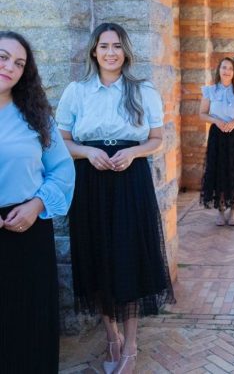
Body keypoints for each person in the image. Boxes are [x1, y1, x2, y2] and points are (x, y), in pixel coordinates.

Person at [56, 23, 175, 374]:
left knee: (129, 257)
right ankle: (111, 337)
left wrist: (136, 153)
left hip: (130, 180)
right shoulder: (76, 92)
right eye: (104, 46)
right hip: (90, 180)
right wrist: (86, 152)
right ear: (94, 51)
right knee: (97, 256)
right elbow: (61, 140)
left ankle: (131, 347)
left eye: (117, 46)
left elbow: (157, 139)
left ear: (126, 52)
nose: (111, 52)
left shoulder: (143, 90)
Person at [0, 31, 75, 374]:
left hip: (26, 229)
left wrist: (37, 207)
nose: (9, 67)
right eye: (2, 57)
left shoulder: (37, 118)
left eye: (19, 63)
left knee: (27, 322)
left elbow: (62, 172)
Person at [199, 57, 234, 226]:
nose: (227, 71)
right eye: (224, 67)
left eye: (230, 68)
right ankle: (221, 210)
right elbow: (202, 113)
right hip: (217, 135)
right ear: (219, 70)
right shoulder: (210, 90)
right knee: (218, 172)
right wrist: (216, 121)